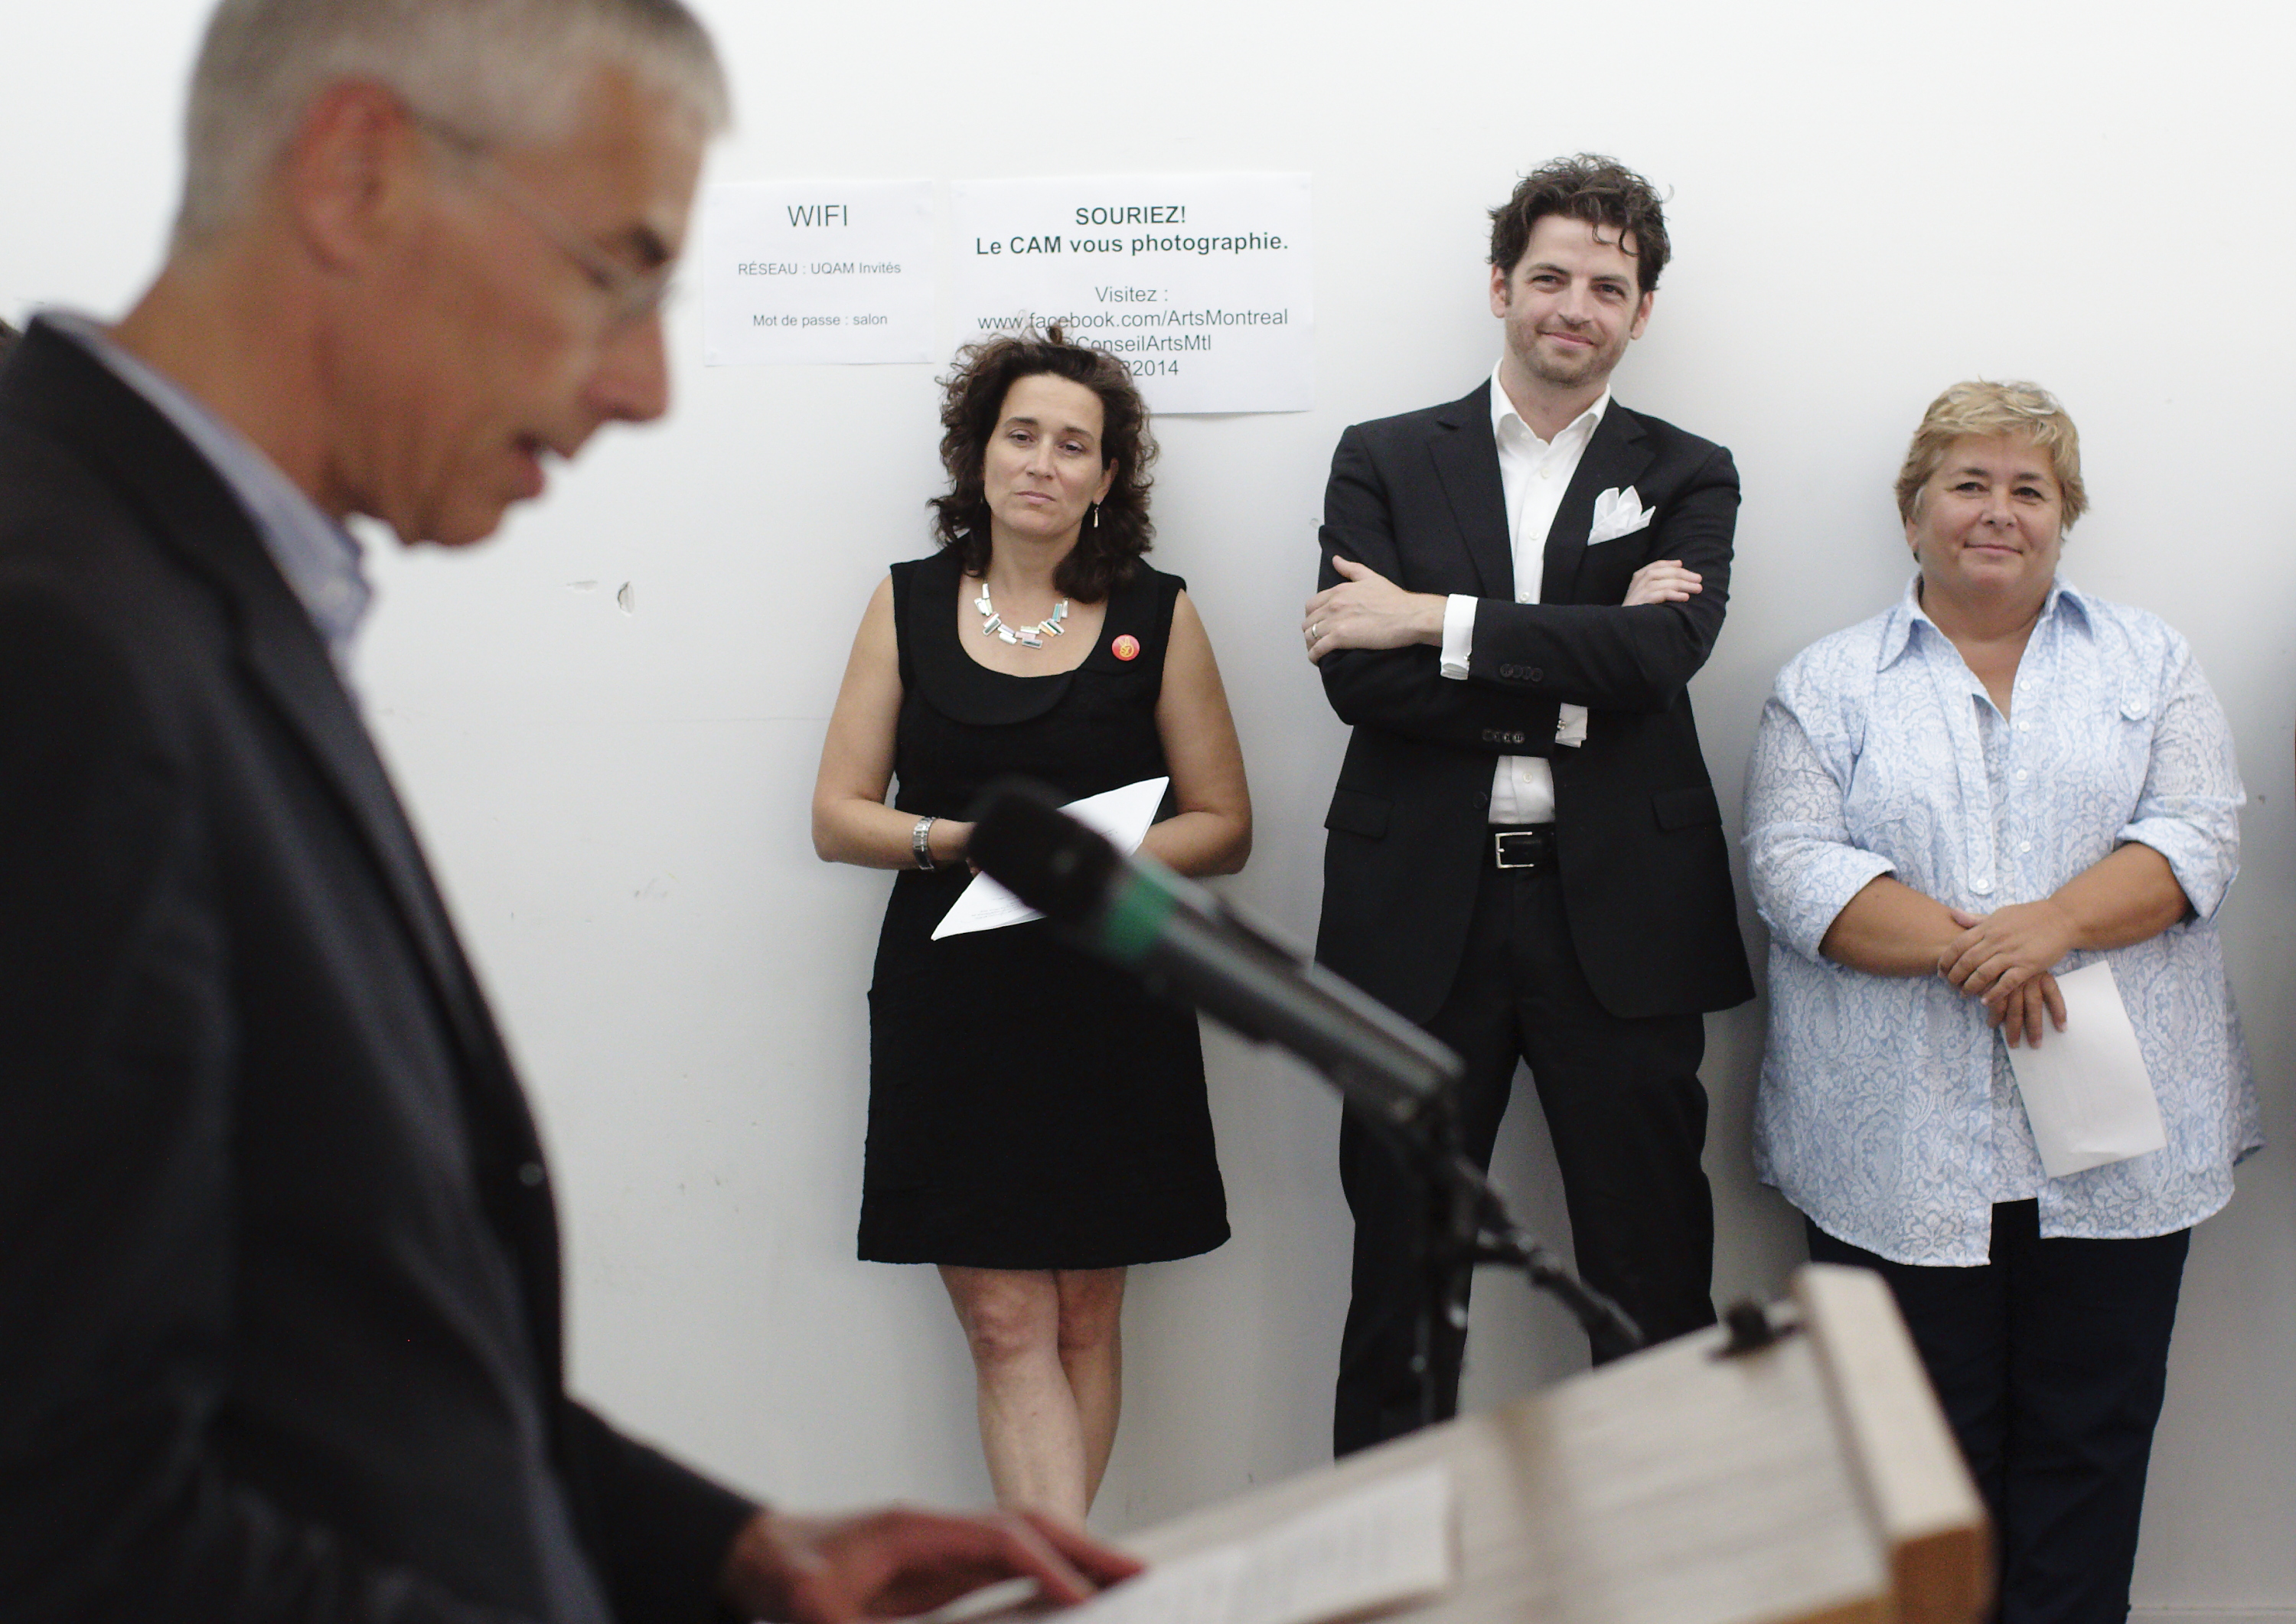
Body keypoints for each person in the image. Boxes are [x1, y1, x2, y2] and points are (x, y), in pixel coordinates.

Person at [0, 2, 1140, 1617]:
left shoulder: (200, 588)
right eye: (619, 272)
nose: (648, 384)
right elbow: (68, 1515)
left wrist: (727, 1549)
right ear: (358, 176)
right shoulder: (55, 638)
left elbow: (331, 1337)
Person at [1744, 380, 2257, 1624]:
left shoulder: (2151, 659)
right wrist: (1986, 950)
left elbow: (2200, 830)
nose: (1997, 511)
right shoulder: (1827, 682)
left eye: (2030, 489)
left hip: (2122, 1146)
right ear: (1913, 510)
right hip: (1894, 1148)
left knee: (2093, 1439)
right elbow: (1792, 866)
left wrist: (2057, 924)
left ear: (2063, 517)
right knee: (1918, 1461)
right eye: (1967, 483)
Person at [1302, 154, 1752, 1455]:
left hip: (1621, 919)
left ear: (1642, 311)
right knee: (1402, 1273)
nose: (1576, 306)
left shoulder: (1691, 472)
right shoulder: (1384, 457)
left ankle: (1663, 1552)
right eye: (1551, 276)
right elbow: (1361, 679)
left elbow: (1661, 658)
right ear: (1500, 286)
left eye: (1608, 286)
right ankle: (1385, 1557)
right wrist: (1573, 679)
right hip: (1418, 918)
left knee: (1651, 1272)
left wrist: (1431, 618)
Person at [813, 328, 1251, 1525]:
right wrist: (967, 841)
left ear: (1105, 477)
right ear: (980, 451)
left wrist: (1081, 863)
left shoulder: (1157, 613)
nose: (1042, 463)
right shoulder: (906, 603)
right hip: (954, 1003)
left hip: (1111, 994)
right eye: (1022, 435)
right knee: (1006, 1319)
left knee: (1086, 1313)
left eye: (1073, 444)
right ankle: (1063, 1589)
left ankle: (1053, 1583)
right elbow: (838, 815)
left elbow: (1224, 824)